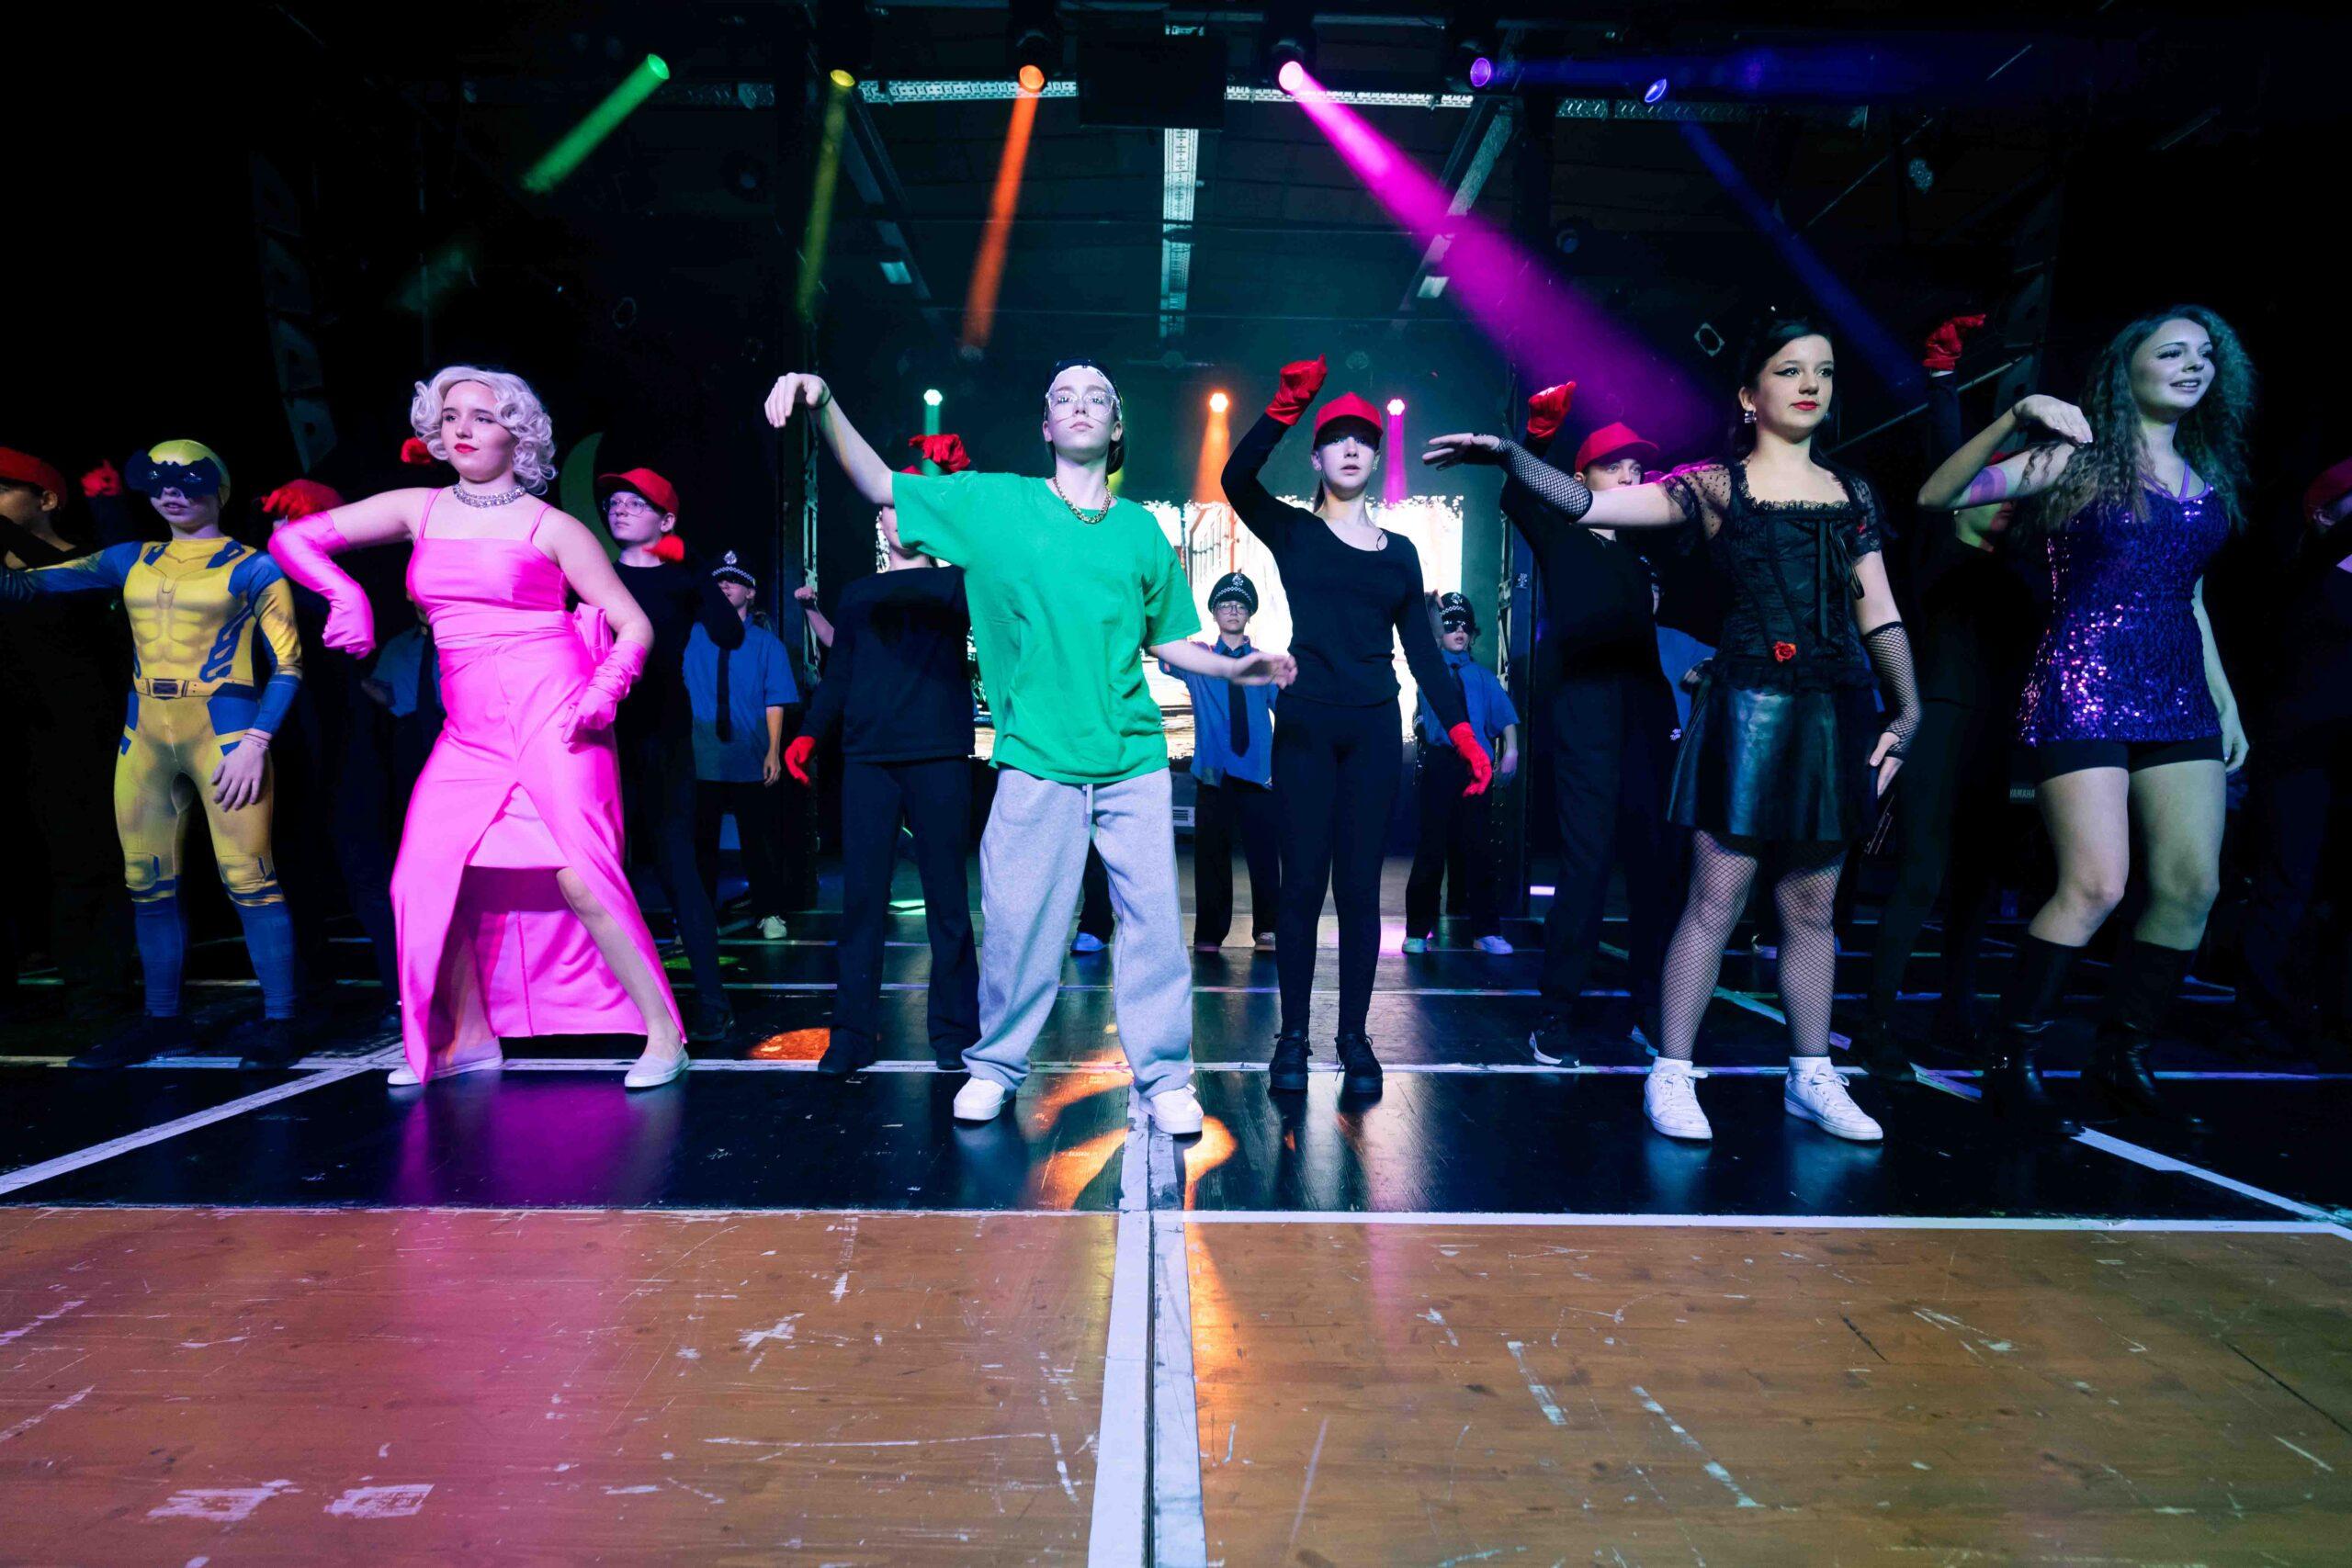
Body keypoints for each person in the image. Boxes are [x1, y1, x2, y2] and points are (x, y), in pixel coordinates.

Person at [764, 359, 1293, 1133]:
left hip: (1132, 759)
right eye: (1063, 397)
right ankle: (995, 1065)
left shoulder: (1141, 530)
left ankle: (1165, 1076)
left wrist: (1235, 666)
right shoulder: (996, 504)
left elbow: (1171, 641)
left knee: (1153, 928)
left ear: (1115, 427)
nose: (1080, 405)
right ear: (1045, 425)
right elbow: (880, 483)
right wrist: (825, 399)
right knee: (1017, 925)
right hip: (1036, 756)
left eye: (1097, 397)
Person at [1426, 317, 1919, 1145]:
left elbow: (1880, 610)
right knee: (1705, 894)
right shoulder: (1710, 488)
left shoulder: (1850, 494)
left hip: (1824, 704)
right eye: (1790, 369)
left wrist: (1907, 707)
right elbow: (1580, 501)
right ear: (1749, 394)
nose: (1810, 384)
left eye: (1825, 371)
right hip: (1730, 705)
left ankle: (1809, 1072)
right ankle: (1659, 1063)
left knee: (1807, 903)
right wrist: (1515, 450)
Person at [267, 364, 689, 1089]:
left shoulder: (551, 526)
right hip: (469, 729)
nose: (462, 427)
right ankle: (465, 1036)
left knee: (582, 877)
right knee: (422, 876)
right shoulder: (419, 508)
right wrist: (346, 598)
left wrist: (603, 691)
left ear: (517, 435)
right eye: (451, 415)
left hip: (555, 712)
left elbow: (633, 624)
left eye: (483, 416)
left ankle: (663, 1034)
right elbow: (295, 542)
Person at [1919, 306, 2254, 1134]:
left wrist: (2223, 693)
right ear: (2125, 368)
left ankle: (2121, 1059)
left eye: (2205, 354)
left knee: (2192, 886)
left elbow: (2191, 592)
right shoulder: (2074, 459)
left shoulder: (2205, 470)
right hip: (2085, 678)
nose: (2194, 364)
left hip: (2178, 685)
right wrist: (2014, 416)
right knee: (2096, 883)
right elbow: (1938, 495)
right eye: (2171, 352)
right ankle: (2011, 1061)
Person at [1224, 356, 1489, 1099]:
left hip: (1373, 731)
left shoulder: (1401, 553)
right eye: (1336, 438)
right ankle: (1292, 1038)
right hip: (1306, 727)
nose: (1351, 448)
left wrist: (1464, 732)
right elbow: (1236, 481)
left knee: (1361, 891)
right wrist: (1282, 408)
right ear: (1316, 457)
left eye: (1364, 440)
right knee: (1302, 886)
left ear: (1376, 458)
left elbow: (1425, 655)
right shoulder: (1294, 532)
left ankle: (1354, 1037)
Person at [2, 440, 306, 1068]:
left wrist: (256, 742)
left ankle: (281, 1019)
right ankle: (162, 1019)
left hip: (224, 731)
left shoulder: (253, 567)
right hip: (145, 735)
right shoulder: (130, 558)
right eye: (159, 481)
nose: (172, 492)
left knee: (249, 878)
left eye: (188, 480)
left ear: (216, 487)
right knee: (146, 883)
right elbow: (24, 587)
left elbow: (289, 664)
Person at [1853, 317, 2041, 1075]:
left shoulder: (2023, 567)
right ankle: (1874, 1022)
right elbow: (1945, 459)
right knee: (1922, 874)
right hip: (1937, 723)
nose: (2006, 499)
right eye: (1992, 487)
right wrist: (1942, 378)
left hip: (1998, 733)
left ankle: (1955, 1014)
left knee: (1979, 883)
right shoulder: (1938, 549)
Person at [786, 434, 981, 1076]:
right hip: (868, 759)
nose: (903, 519)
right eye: (894, 508)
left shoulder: (957, 584)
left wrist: (957, 485)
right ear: (880, 520)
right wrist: (810, 732)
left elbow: (987, 550)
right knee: (861, 902)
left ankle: (955, 1031)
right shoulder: (857, 594)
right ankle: (851, 1034)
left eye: (916, 508)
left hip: (939, 754)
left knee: (948, 900)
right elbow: (840, 673)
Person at [1500, 391, 1683, 1063]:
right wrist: (1536, 436)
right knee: (1588, 864)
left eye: (1637, 467)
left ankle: (1649, 1007)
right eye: (1614, 466)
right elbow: (1516, 496)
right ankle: (1555, 1012)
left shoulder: (1640, 556)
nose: (1631, 475)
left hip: (1645, 722)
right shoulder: (1562, 536)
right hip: (1585, 720)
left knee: (1654, 867)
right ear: (1581, 480)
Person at [597, 466, 743, 1042]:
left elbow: (730, 635)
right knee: (600, 870)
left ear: (666, 520)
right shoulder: (593, 575)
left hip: (662, 735)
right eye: (614, 501)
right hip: (598, 736)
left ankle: (712, 1002)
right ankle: (610, 1003)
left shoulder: (683, 579)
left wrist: (697, 566)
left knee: (678, 867)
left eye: (636, 503)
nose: (619, 508)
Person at [0, 446, 130, 1022]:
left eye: (3, 490)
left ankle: (95, 991)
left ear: (46, 499)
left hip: (76, 739)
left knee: (87, 864)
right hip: (17, 737)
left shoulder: (89, 565)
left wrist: (112, 510)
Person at [2236, 456, 2352, 1058]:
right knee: (2287, 882)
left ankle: (2332, 1015)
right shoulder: (2308, 571)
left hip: (2341, 752)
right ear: (2325, 513)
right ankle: (2258, 1016)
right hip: (2298, 751)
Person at [1161, 570, 1282, 953]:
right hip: (1213, 772)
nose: (1233, 610)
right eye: (1225, 605)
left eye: (1240, 605)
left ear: (1249, 614)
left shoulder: (1264, 664)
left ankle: (1268, 927)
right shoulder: (1199, 659)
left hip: (1256, 773)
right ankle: (1210, 933)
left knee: (1264, 854)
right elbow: (1163, 651)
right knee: (1211, 854)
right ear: (1214, 613)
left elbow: (1287, 711)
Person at [685, 550, 797, 942]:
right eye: (719, 580)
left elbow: (775, 699)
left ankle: (769, 911)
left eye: (734, 580)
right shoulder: (694, 635)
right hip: (701, 754)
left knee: (759, 839)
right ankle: (700, 918)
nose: (725, 585)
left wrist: (773, 751)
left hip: (749, 753)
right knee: (701, 842)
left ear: (751, 592)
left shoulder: (766, 644)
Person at [1404, 592, 1519, 954]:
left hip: (1475, 768)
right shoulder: (1432, 670)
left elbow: (1505, 715)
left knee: (1478, 847)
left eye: (1465, 626)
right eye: (1450, 625)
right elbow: (1422, 638)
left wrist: (1512, 749)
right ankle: (1417, 929)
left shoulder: (1482, 677)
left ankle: (1486, 929)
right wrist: (1427, 610)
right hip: (1441, 761)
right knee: (1431, 848)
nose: (1458, 631)